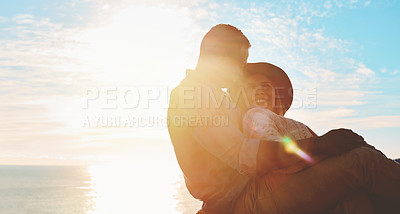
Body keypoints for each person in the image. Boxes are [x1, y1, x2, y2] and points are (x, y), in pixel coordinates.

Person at [167, 24, 400, 214]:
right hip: (244, 201)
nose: (241, 69)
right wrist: (321, 144)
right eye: (239, 61)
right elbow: (242, 154)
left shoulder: (218, 96)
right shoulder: (193, 95)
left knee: (351, 196)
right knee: (362, 162)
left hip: (254, 191)